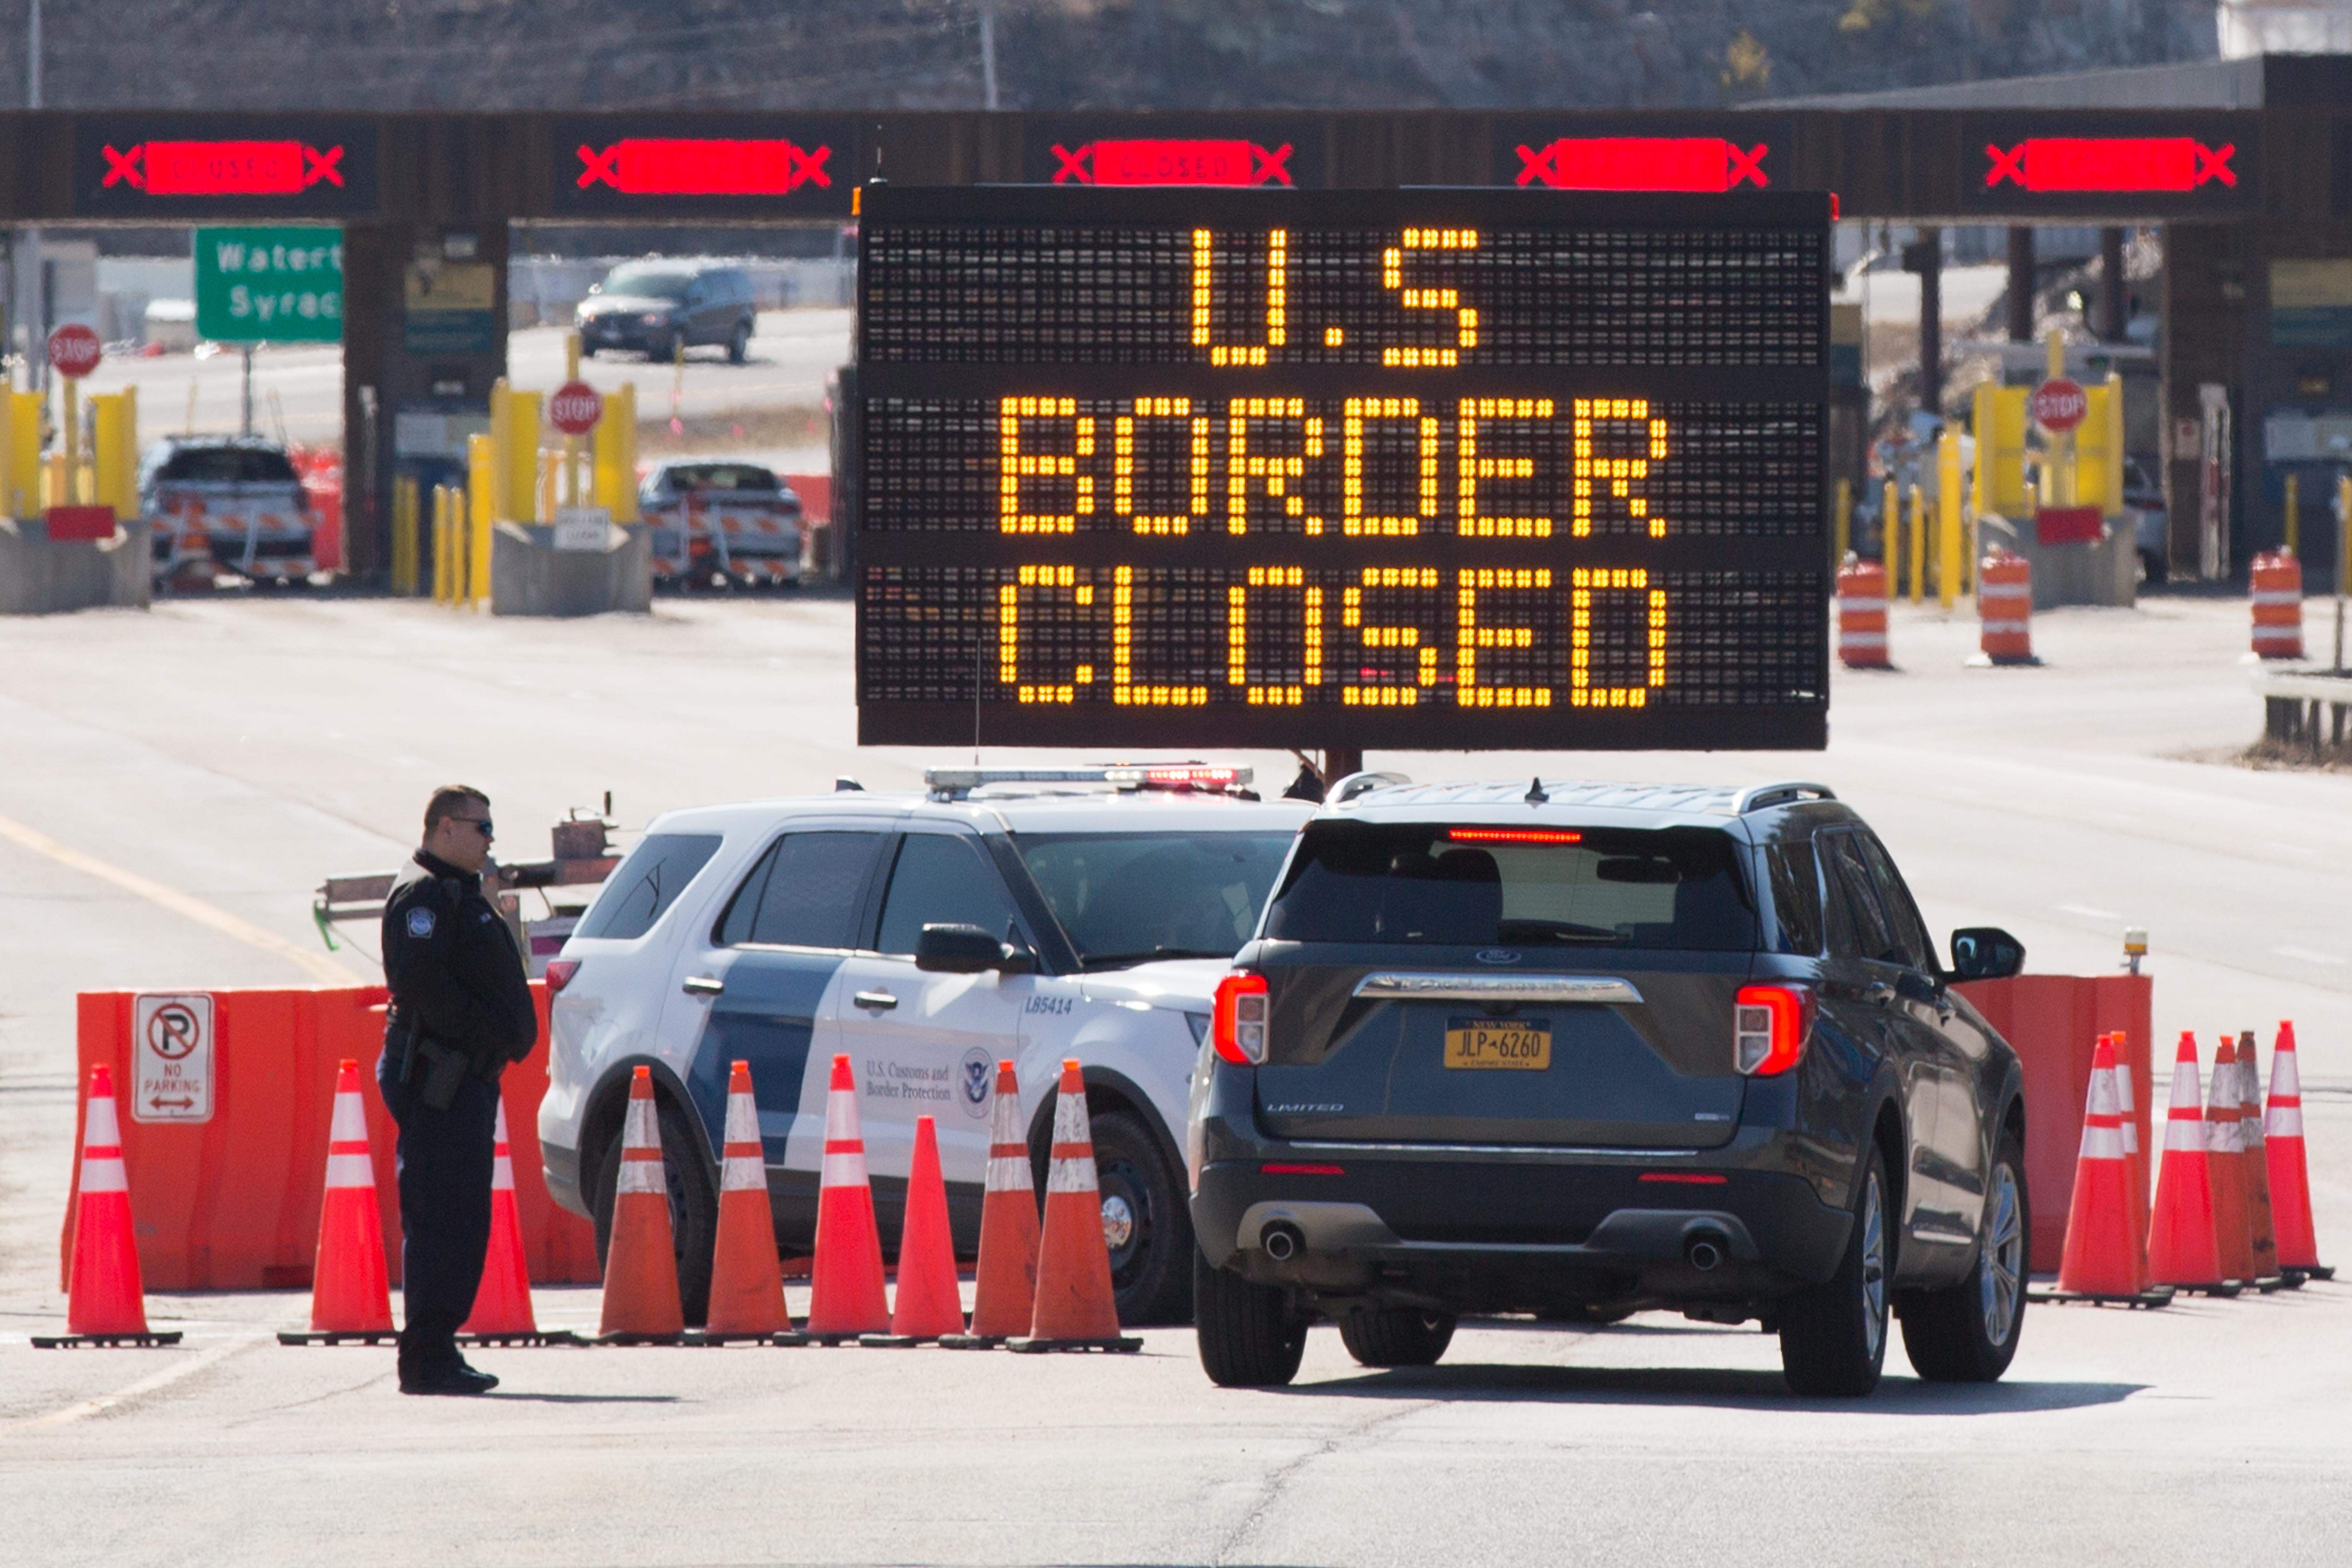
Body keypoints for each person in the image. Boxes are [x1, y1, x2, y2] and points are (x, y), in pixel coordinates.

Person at [378, 784, 538, 1395]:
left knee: (463, 1216)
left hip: (464, 1077)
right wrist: (490, 1034)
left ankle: (440, 1345)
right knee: (442, 1217)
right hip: (439, 1079)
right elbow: (423, 987)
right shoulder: (423, 895)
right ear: (446, 828)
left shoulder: (455, 890)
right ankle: (426, 1354)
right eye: (482, 827)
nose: (490, 838)